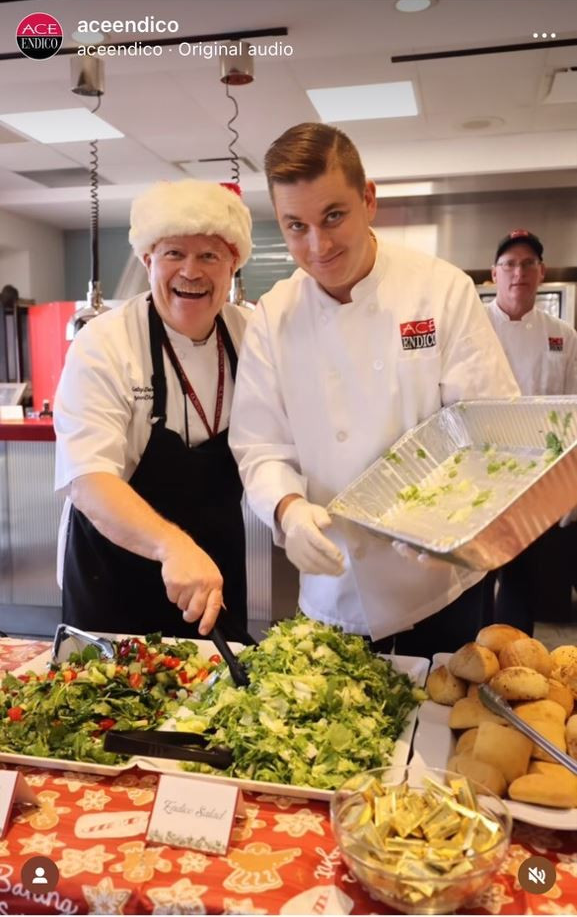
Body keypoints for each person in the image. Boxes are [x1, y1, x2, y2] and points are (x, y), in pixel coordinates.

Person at [229, 122, 520, 659]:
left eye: (333, 216)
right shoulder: (273, 316)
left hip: (440, 585)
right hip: (331, 592)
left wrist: (450, 525)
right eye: (296, 226)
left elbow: (491, 429)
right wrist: (288, 509)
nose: (318, 245)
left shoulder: (439, 290)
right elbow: (260, 446)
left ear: (368, 200)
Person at [54, 179, 252, 639]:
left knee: (224, 705)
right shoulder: (104, 343)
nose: (191, 271)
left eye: (209, 256)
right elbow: (89, 479)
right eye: (174, 254)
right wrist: (170, 545)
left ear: (233, 264)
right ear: (148, 261)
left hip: (214, 573)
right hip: (112, 574)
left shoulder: (253, 335)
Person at [485, 229, 577, 634]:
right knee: (474, 582)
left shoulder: (563, 335)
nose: (518, 272)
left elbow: (573, 410)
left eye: (527, 264)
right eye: (509, 265)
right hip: (481, 477)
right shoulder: (474, 326)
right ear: (494, 274)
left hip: (537, 480)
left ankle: (510, 661)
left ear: (541, 273)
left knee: (521, 580)